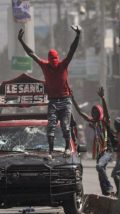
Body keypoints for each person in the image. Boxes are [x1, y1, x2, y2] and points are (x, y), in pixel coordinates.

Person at [18, 25, 81, 157]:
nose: (54, 62)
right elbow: (31, 53)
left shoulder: (63, 64)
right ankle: (51, 151)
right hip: (52, 101)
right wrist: (21, 41)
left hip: (65, 100)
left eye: (55, 60)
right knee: (51, 127)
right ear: (49, 59)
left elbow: (72, 50)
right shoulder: (45, 65)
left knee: (65, 125)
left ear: (58, 59)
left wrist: (78, 36)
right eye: (51, 60)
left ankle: (67, 148)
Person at [72, 87, 114, 196]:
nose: (94, 113)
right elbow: (81, 113)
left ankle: (109, 187)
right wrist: (72, 99)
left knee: (99, 167)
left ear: (100, 112)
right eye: (93, 111)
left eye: (96, 111)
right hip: (100, 152)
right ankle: (106, 193)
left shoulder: (105, 121)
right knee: (100, 172)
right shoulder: (93, 122)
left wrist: (103, 98)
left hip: (107, 150)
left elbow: (106, 112)